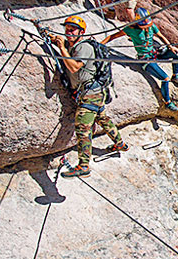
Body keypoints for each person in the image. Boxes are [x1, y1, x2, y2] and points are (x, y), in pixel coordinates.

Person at [51, 15, 127, 178]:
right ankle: (120, 143)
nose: (68, 32)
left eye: (72, 30)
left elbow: (74, 67)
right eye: (67, 30)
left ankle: (83, 165)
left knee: (83, 129)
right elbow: (67, 49)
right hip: (95, 92)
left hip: (89, 94)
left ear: (81, 32)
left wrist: (62, 49)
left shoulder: (83, 47)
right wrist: (55, 40)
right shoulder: (75, 45)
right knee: (102, 118)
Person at [100, 8, 178, 110]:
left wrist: (171, 47)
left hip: (154, 53)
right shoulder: (131, 29)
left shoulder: (151, 26)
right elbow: (112, 36)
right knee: (165, 78)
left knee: (176, 54)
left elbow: (161, 36)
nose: (145, 28)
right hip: (145, 60)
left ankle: (175, 75)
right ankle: (167, 102)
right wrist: (100, 45)